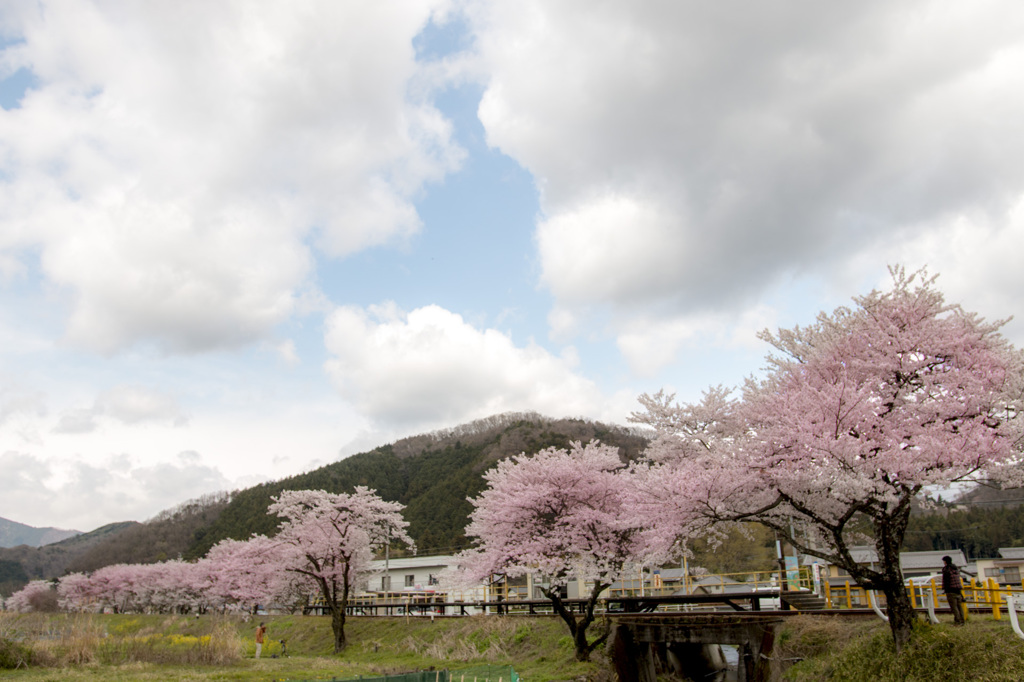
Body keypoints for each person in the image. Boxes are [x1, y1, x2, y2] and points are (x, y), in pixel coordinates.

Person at [941, 556, 966, 625]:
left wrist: (945, 589)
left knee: (954, 607)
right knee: (959, 606)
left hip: (950, 590)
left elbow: (946, 581)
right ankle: (962, 620)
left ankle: (957, 621)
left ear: (945, 561)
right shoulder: (956, 569)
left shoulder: (946, 569)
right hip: (958, 590)